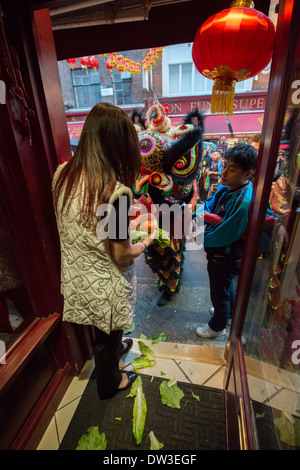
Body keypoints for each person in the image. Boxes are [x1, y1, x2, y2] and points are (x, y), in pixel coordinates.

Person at [52, 102, 156, 399]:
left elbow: (84, 223)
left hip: (76, 278)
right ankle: (109, 384)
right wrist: (146, 241)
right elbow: (121, 254)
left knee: (105, 334)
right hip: (107, 287)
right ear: (117, 145)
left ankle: (118, 348)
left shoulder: (62, 174)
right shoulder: (117, 190)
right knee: (106, 340)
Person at [195, 143, 257, 338]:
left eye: (232, 169)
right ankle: (228, 314)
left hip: (226, 255)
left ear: (247, 174)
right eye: (225, 165)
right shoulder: (229, 187)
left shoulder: (243, 200)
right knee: (227, 285)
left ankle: (217, 325)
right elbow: (209, 205)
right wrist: (203, 214)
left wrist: (199, 236)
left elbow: (225, 233)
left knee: (219, 291)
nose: (224, 172)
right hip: (224, 254)